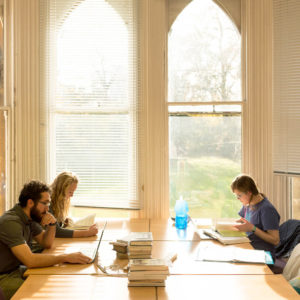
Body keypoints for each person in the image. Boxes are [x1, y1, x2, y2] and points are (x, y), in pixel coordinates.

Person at [0, 180, 92, 300]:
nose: (48, 209)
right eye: (45, 204)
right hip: (3, 277)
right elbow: (30, 260)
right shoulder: (11, 222)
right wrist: (65, 257)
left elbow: (46, 243)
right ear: (30, 203)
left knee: (55, 279)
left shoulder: (28, 218)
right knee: (44, 294)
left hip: (15, 270)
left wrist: (52, 225)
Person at [231, 174, 280, 256]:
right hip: (249, 247)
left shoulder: (267, 209)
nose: (237, 198)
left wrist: (252, 228)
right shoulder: (248, 203)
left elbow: (275, 240)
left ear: (249, 192)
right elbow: (244, 222)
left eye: (239, 195)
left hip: (264, 255)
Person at [50, 171, 98, 238]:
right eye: (70, 192)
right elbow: (56, 232)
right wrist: (87, 233)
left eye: (73, 191)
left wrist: (63, 222)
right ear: (61, 189)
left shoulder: (59, 201)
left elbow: (56, 225)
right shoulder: (48, 202)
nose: (72, 195)